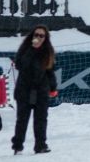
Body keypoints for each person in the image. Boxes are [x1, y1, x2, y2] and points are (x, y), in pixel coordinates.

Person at [10, 26, 57, 155]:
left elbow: (50, 71)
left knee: (41, 119)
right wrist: (32, 49)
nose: (39, 38)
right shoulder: (25, 49)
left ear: (46, 38)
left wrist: (53, 87)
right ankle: (18, 146)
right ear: (32, 35)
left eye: (42, 36)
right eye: (36, 34)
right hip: (24, 90)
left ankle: (40, 145)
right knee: (22, 119)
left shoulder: (48, 51)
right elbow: (20, 65)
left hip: (41, 90)